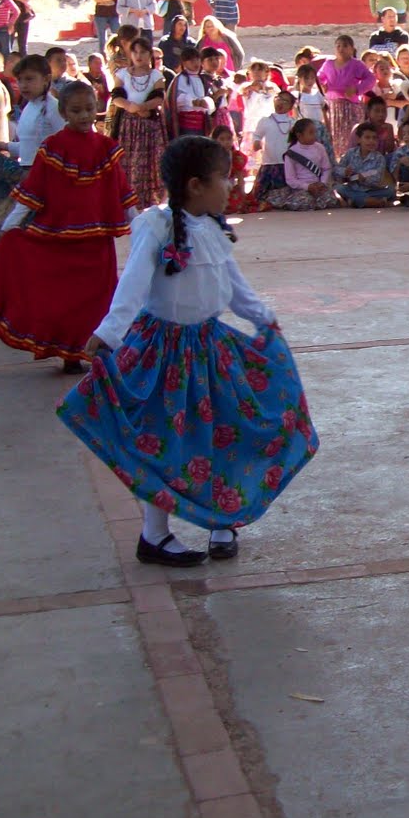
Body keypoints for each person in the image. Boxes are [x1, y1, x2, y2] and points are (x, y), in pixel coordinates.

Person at [61, 134, 317, 566]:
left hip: (211, 348)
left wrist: (263, 317)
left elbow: (233, 285)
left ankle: (222, 521)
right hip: (164, 353)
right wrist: (109, 332)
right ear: (196, 185)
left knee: (225, 432)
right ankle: (154, 535)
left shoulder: (214, 229)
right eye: (224, 178)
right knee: (165, 441)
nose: (231, 186)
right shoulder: (156, 226)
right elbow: (133, 283)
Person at [0, 81, 134, 373]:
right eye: (76, 110)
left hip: (97, 243)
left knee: (98, 299)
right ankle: (69, 354)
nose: (84, 115)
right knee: (65, 299)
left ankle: (92, 351)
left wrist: (140, 224)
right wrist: (11, 226)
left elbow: (121, 190)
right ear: (64, 112)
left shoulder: (106, 148)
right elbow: (35, 189)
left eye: (89, 109)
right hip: (59, 241)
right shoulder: (53, 147)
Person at [109, 37, 169, 208]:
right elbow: (116, 96)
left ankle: (148, 201)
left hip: (149, 126)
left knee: (149, 163)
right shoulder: (122, 74)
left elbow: (159, 97)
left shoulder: (156, 76)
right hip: (128, 126)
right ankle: (128, 202)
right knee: (128, 162)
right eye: (135, 52)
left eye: (143, 52)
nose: (138, 56)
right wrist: (130, 106)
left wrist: (143, 107)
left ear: (149, 54)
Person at [262, 118, 338, 211]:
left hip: (318, 186)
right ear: (299, 135)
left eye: (315, 132)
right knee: (304, 201)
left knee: (331, 200)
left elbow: (326, 168)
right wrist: (307, 187)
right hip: (300, 188)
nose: (314, 135)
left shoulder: (320, 148)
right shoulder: (291, 153)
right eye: (311, 133)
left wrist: (322, 183)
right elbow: (290, 179)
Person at [318, 35, 375, 154]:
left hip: (350, 108)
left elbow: (371, 79)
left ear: (352, 49)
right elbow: (319, 77)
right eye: (338, 46)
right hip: (332, 108)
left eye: (345, 46)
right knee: (332, 139)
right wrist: (323, 85)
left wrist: (357, 89)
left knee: (349, 139)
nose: (341, 49)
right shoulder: (328, 64)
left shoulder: (357, 65)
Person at [251, 89, 296, 202]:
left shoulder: (293, 123)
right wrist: (256, 141)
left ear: (291, 107)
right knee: (260, 196)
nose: (281, 103)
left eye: (285, 101)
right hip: (269, 163)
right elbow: (256, 135)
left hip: (287, 164)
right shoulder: (265, 121)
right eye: (279, 99)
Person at [335, 121, 394, 207]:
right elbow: (337, 169)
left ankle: (357, 201)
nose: (371, 141)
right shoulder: (351, 153)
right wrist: (345, 172)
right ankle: (372, 201)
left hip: (372, 190)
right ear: (359, 139)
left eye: (374, 138)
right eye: (367, 137)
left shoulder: (379, 158)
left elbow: (377, 180)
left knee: (391, 191)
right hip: (353, 188)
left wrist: (364, 179)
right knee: (339, 188)